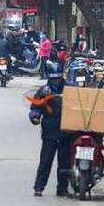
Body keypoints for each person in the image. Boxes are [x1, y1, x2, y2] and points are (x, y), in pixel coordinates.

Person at [28, 61, 70, 197]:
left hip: (67, 131)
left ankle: (62, 188)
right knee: (46, 160)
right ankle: (39, 187)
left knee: (65, 162)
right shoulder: (43, 91)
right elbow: (35, 107)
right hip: (50, 131)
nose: (56, 81)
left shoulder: (71, 89)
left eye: (58, 78)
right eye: (54, 79)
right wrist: (35, 117)